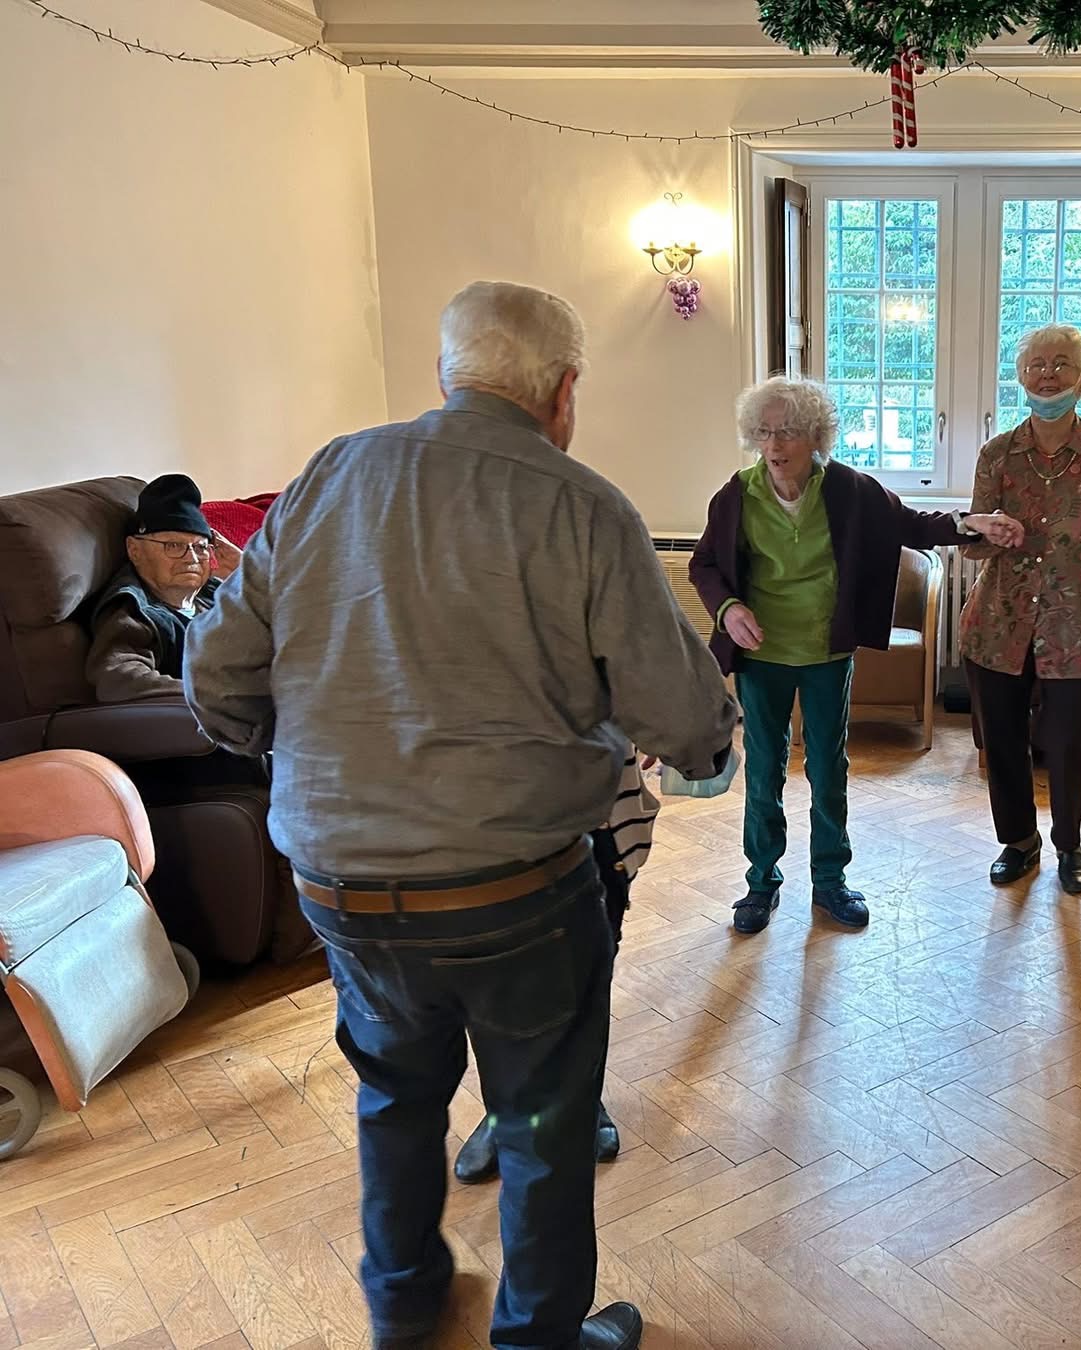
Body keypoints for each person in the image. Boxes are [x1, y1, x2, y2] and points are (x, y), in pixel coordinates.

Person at [185, 280, 739, 1350]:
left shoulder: (329, 475)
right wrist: (712, 746)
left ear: (445, 376)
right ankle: (535, 1338)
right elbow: (679, 714)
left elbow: (218, 676)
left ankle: (403, 1309)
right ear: (565, 393)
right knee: (541, 1119)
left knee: (393, 1095)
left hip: (340, 884)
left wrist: (303, 761)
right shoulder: (583, 504)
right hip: (517, 890)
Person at [691, 376, 1022, 936]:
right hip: (762, 653)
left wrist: (972, 524)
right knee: (765, 769)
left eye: (788, 432)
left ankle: (830, 881)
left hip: (826, 650)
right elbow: (704, 565)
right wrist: (728, 609)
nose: (775, 445)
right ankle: (761, 881)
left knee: (828, 766)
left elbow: (912, 524)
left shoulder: (849, 489)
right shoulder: (736, 495)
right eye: (764, 432)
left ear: (815, 436)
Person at [960, 324, 1081, 894]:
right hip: (998, 624)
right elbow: (973, 538)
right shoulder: (997, 454)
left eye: (1061, 363)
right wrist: (988, 530)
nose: (1047, 374)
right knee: (1003, 742)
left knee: (1068, 746)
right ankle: (1019, 842)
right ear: (1020, 378)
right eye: (1036, 365)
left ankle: (1069, 843)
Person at [452, 749, 659, 1184]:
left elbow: (683, 723)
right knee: (495, 980)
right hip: (485, 818)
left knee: (590, 977)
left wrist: (658, 722)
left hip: (594, 814)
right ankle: (504, 1112)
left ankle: (585, 1100)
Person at [88, 473, 242, 702]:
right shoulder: (134, 613)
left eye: (200, 547)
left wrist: (246, 571)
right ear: (134, 550)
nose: (192, 558)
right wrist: (219, 698)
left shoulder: (214, 593)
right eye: (174, 545)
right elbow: (118, 679)